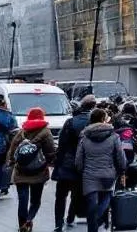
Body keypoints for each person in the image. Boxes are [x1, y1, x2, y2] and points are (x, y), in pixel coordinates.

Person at [75, 107, 126, 232]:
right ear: (104, 119)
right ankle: (98, 218)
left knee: (91, 203)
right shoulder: (113, 136)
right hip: (108, 173)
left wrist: (80, 170)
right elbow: (120, 156)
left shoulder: (84, 136)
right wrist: (122, 169)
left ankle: (92, 227)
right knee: (107, 196)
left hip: (89, 174)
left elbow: (79, 158)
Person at [7, 106, 57, 232]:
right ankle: (29, 220)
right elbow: (50, 151)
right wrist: (50, 162)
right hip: (39, 172)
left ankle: (22, 224)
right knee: (35, 200)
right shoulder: (46, 132)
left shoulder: (22, 132)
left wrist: (12, 162)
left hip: (21, 171)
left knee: (22, 200)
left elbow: (13, 149)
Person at [53, 93, 94, 232]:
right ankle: (70, 217)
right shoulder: (94, 123)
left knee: (61, 195)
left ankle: (58, 223)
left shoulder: (71, 122)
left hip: (67, 162)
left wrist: (58, 164)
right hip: (84, 164)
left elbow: (62, 144)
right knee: (77, 194)